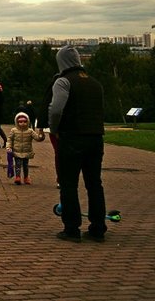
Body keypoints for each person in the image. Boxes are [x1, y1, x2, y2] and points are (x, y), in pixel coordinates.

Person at [49, 45, 107, 242]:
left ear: (62, 62)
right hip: (95, 138)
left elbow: (56, 109)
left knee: (69, 184)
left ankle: (71, 228)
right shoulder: (95, 83)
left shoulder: (63, 81)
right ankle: (98, 228)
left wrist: (54, 128)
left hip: (72, 138)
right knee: (94, 184)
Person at [6, 112, 44, 185]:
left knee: (25, 166)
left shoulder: (30, 131)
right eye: (20, 122)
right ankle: (18, 177)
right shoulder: (14, 130)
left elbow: (37, 138)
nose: (23, 123)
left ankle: (26, 177)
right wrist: (8, 147)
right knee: (18, 165)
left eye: (25, 121)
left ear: (28, 122)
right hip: (17, 151)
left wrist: (41, 135)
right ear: (17, 122)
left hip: (26, 151)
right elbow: (9, 139)